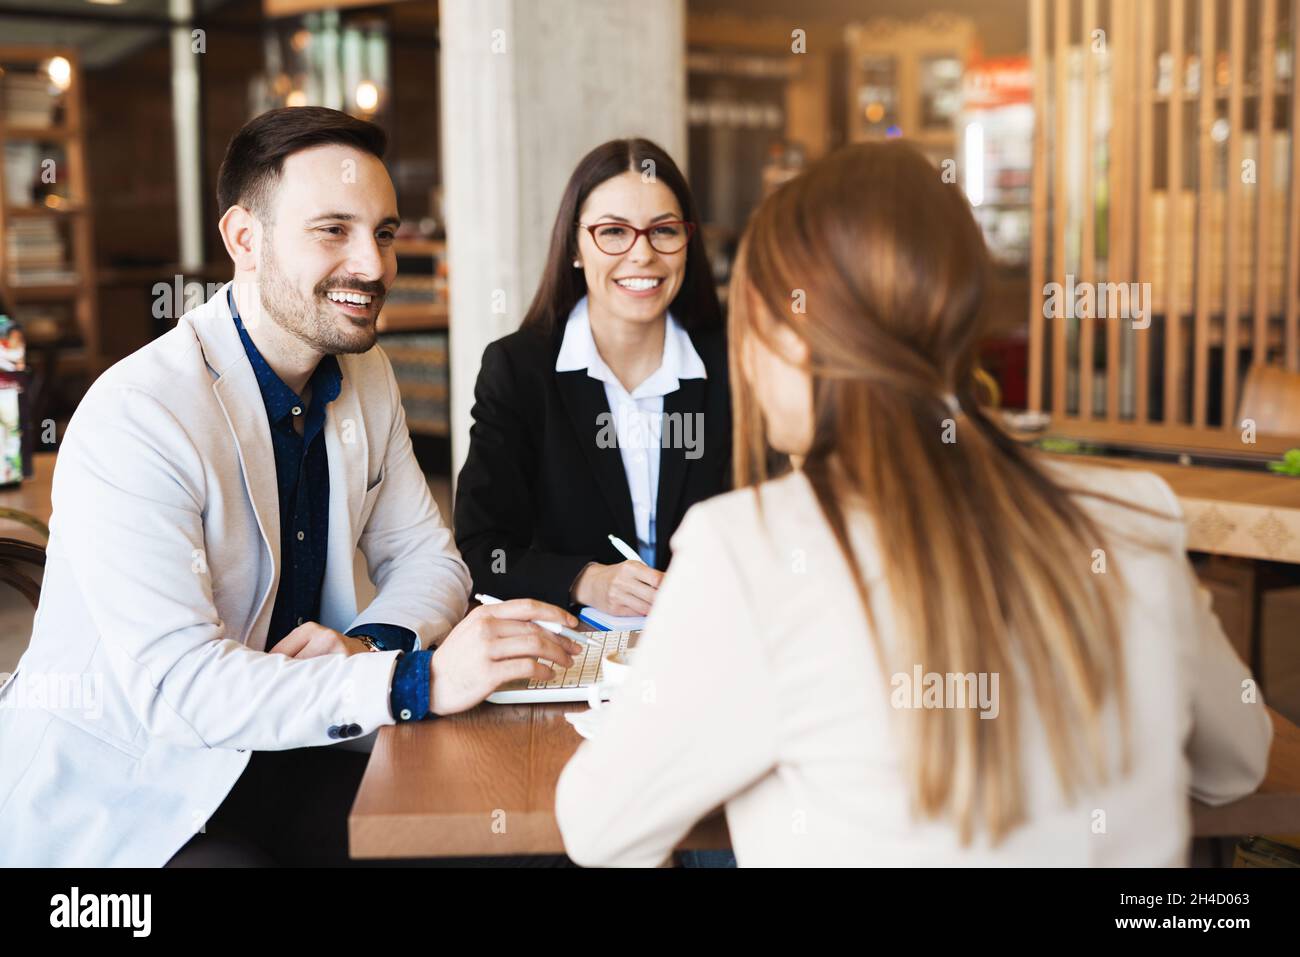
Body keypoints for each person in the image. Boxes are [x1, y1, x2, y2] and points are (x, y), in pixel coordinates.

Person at [555, 140, 1273, 867]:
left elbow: (597, 827)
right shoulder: (1135, 513)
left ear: (792, 335)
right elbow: (1238, 763)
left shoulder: (750, 549)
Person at [0, 107, 582, 867]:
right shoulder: (138, 413)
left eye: (382, 232)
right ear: (244, 238)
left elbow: (434, 563)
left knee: (505, 832)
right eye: (332, 229)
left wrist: (364, 647)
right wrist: (414, 677)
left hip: (288, 750)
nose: (372, 265)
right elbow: (184, 688)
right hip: (133, 799)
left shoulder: (365, 374)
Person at [454, 138, 731, 618]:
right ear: (576, 248)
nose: (642, 254)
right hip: (573, 650)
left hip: (712, 636)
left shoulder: (734, 361)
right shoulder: (520, 370)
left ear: (688, 242)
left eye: (663, 230)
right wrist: (586, 580)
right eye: (614, 232)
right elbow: (481, 551)